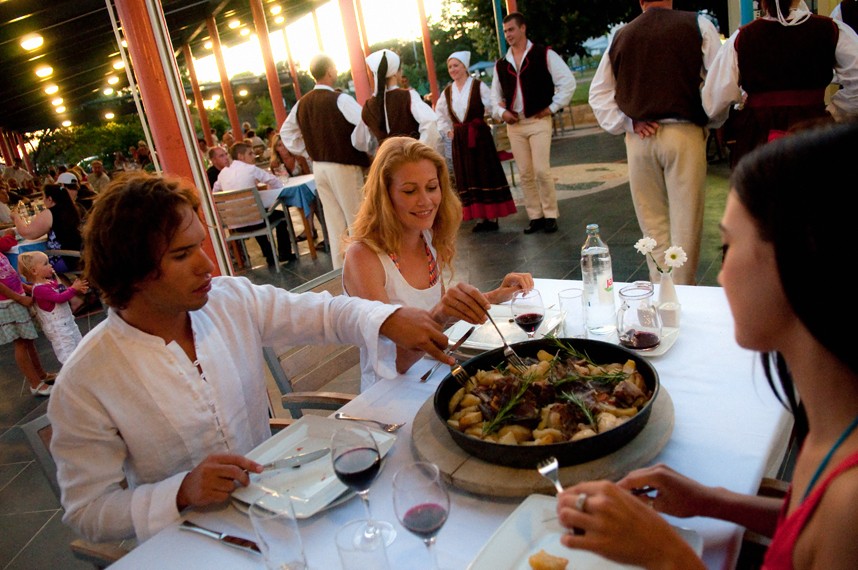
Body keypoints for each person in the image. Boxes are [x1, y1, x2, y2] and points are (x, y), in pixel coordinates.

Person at [46, 172, 453, 543]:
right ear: (131, 270)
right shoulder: (87, 379)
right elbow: (87, 511)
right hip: (190, 540)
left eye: (201, 245)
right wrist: (181, 491)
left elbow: (325, 314)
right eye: (182, 255)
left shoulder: (228, 301)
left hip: (282, 506)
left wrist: (387, 318)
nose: (207, 265)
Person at [554, 121, 858, 570]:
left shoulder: (851, 503)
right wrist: (711, 500)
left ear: (800, 260)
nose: (720, 272)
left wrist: (667, 556)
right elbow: (807, 522)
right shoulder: (834, 425)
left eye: (728, 245)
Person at [343, 137, 533, 390]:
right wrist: (440, 313)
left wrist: (494, 296)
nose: (425, 201)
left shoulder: (426, 238)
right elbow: (394, 362)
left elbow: (443, 314)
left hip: (431, 374)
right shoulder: (364, 257)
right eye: (410, 191)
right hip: (388, 393)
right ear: (384, 195)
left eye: (432, 187)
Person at [589, 0, 720, 285]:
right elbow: (719, 83)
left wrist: (627, 121)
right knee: (686, 223)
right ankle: (682, 292)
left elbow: (598, 94)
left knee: (652, 225)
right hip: (683, 133)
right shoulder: (698, 25)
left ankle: (662, 291)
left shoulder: (622, 35)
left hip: (640, 138)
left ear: (640, 2)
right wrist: (710, 119)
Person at [703, 0, 858, 167]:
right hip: (814, 130)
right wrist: (835, 113)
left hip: (758, 134)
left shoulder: (743, 37)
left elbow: (715, 101)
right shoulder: (831, 29)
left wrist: (731, 111)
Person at [280, 53, 373, 269]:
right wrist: (362, 148)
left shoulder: (302, 103)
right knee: (356, 217)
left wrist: (308, 151)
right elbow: (364, 123)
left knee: (333, 221)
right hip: (343, 163)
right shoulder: (340, 99)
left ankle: (341, 269)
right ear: (330, 71)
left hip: (320, 167)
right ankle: (365, 267)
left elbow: (286, 133)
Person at [491, 12, 575, 235]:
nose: (508, 34)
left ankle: (550, 214)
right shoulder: (501, 64)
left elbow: (567, 82)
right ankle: (535, 216)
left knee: (541, 170)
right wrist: (502, 112)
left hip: (538, 120)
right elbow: (494, 97)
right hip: (515, 125)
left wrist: (552, 107)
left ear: (523, 28)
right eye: (505, 31)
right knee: (525, 173)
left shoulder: (544, 54)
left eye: (511, 29)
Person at [436, 50, 517, 233]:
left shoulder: (478, 86)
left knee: (484, 173)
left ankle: (492, 216)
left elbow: (492, 106)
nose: (453, 69)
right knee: (468, 176)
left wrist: (501, 111)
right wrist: (447, 130)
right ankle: (480, 218)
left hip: (479, 137)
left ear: (464, 66)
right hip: (460, 139)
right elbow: (439, 114)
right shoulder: (447, 92)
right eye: (450, 67)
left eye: (456, 65)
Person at [212, 142, 296, 266]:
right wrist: (272, 193)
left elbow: (214, 193)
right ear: (241, 156)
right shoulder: (251, 169)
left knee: (254, 212)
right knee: (279, 215)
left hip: (235, 224)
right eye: (250, 153)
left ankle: (270, 256)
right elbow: (275, 182)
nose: (253, 156)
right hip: (255, 220)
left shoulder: (222, 174)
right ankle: (285, 253)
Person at [0, 229, 55, 396]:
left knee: (28, 340)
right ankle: (35, 383)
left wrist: (24, 287)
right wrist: (19, 298)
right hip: (7, 304)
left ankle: (41, 375)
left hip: (16, 297)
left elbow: (9, 275)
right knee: (21, 343)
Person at [362, 48, 443, 154]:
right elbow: (431, 124)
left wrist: (380, 154)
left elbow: (360, 142)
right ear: (395, 73)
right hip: (411, 159)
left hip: (386, 161)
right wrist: (417, 151)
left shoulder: (368, 106)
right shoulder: (408, 95)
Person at [17, 251, 88, 364]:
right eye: (46, 264)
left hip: (67, 322)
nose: (50, 265)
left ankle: (82, 367)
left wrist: (75, 289)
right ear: (34, 271)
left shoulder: (49, 283)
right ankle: (71, 371)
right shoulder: (39, 289)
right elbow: (59, 298)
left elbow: (62, 291)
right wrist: (73, 289)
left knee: (79, 346)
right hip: (58, 329)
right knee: (67, 353)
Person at [12, 184, 82, 274]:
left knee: (34, 267)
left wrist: (16, 217)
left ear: (50, 199)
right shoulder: (72, 209)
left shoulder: (50, 213)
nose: (43, 201)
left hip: (64, 258)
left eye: (43, 197)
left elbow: (27, 233)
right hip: (78, 254)